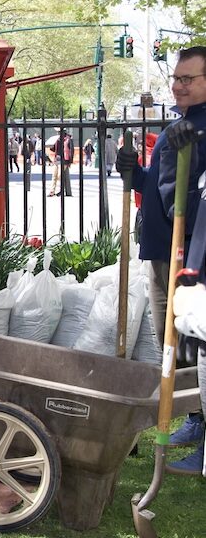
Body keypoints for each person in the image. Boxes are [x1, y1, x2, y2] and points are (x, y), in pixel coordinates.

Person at [118, 46, 206, 473]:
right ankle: (195, 418)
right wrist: (136, 174)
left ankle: (202, 436)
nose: (178, 85)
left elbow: (189, 198)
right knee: (170, 338)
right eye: (177, 78)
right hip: (159, 249)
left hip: (189, 255)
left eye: (188, 79)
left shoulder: (199, 130)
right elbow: (159, 187)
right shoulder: (179, 126)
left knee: (192, 343)